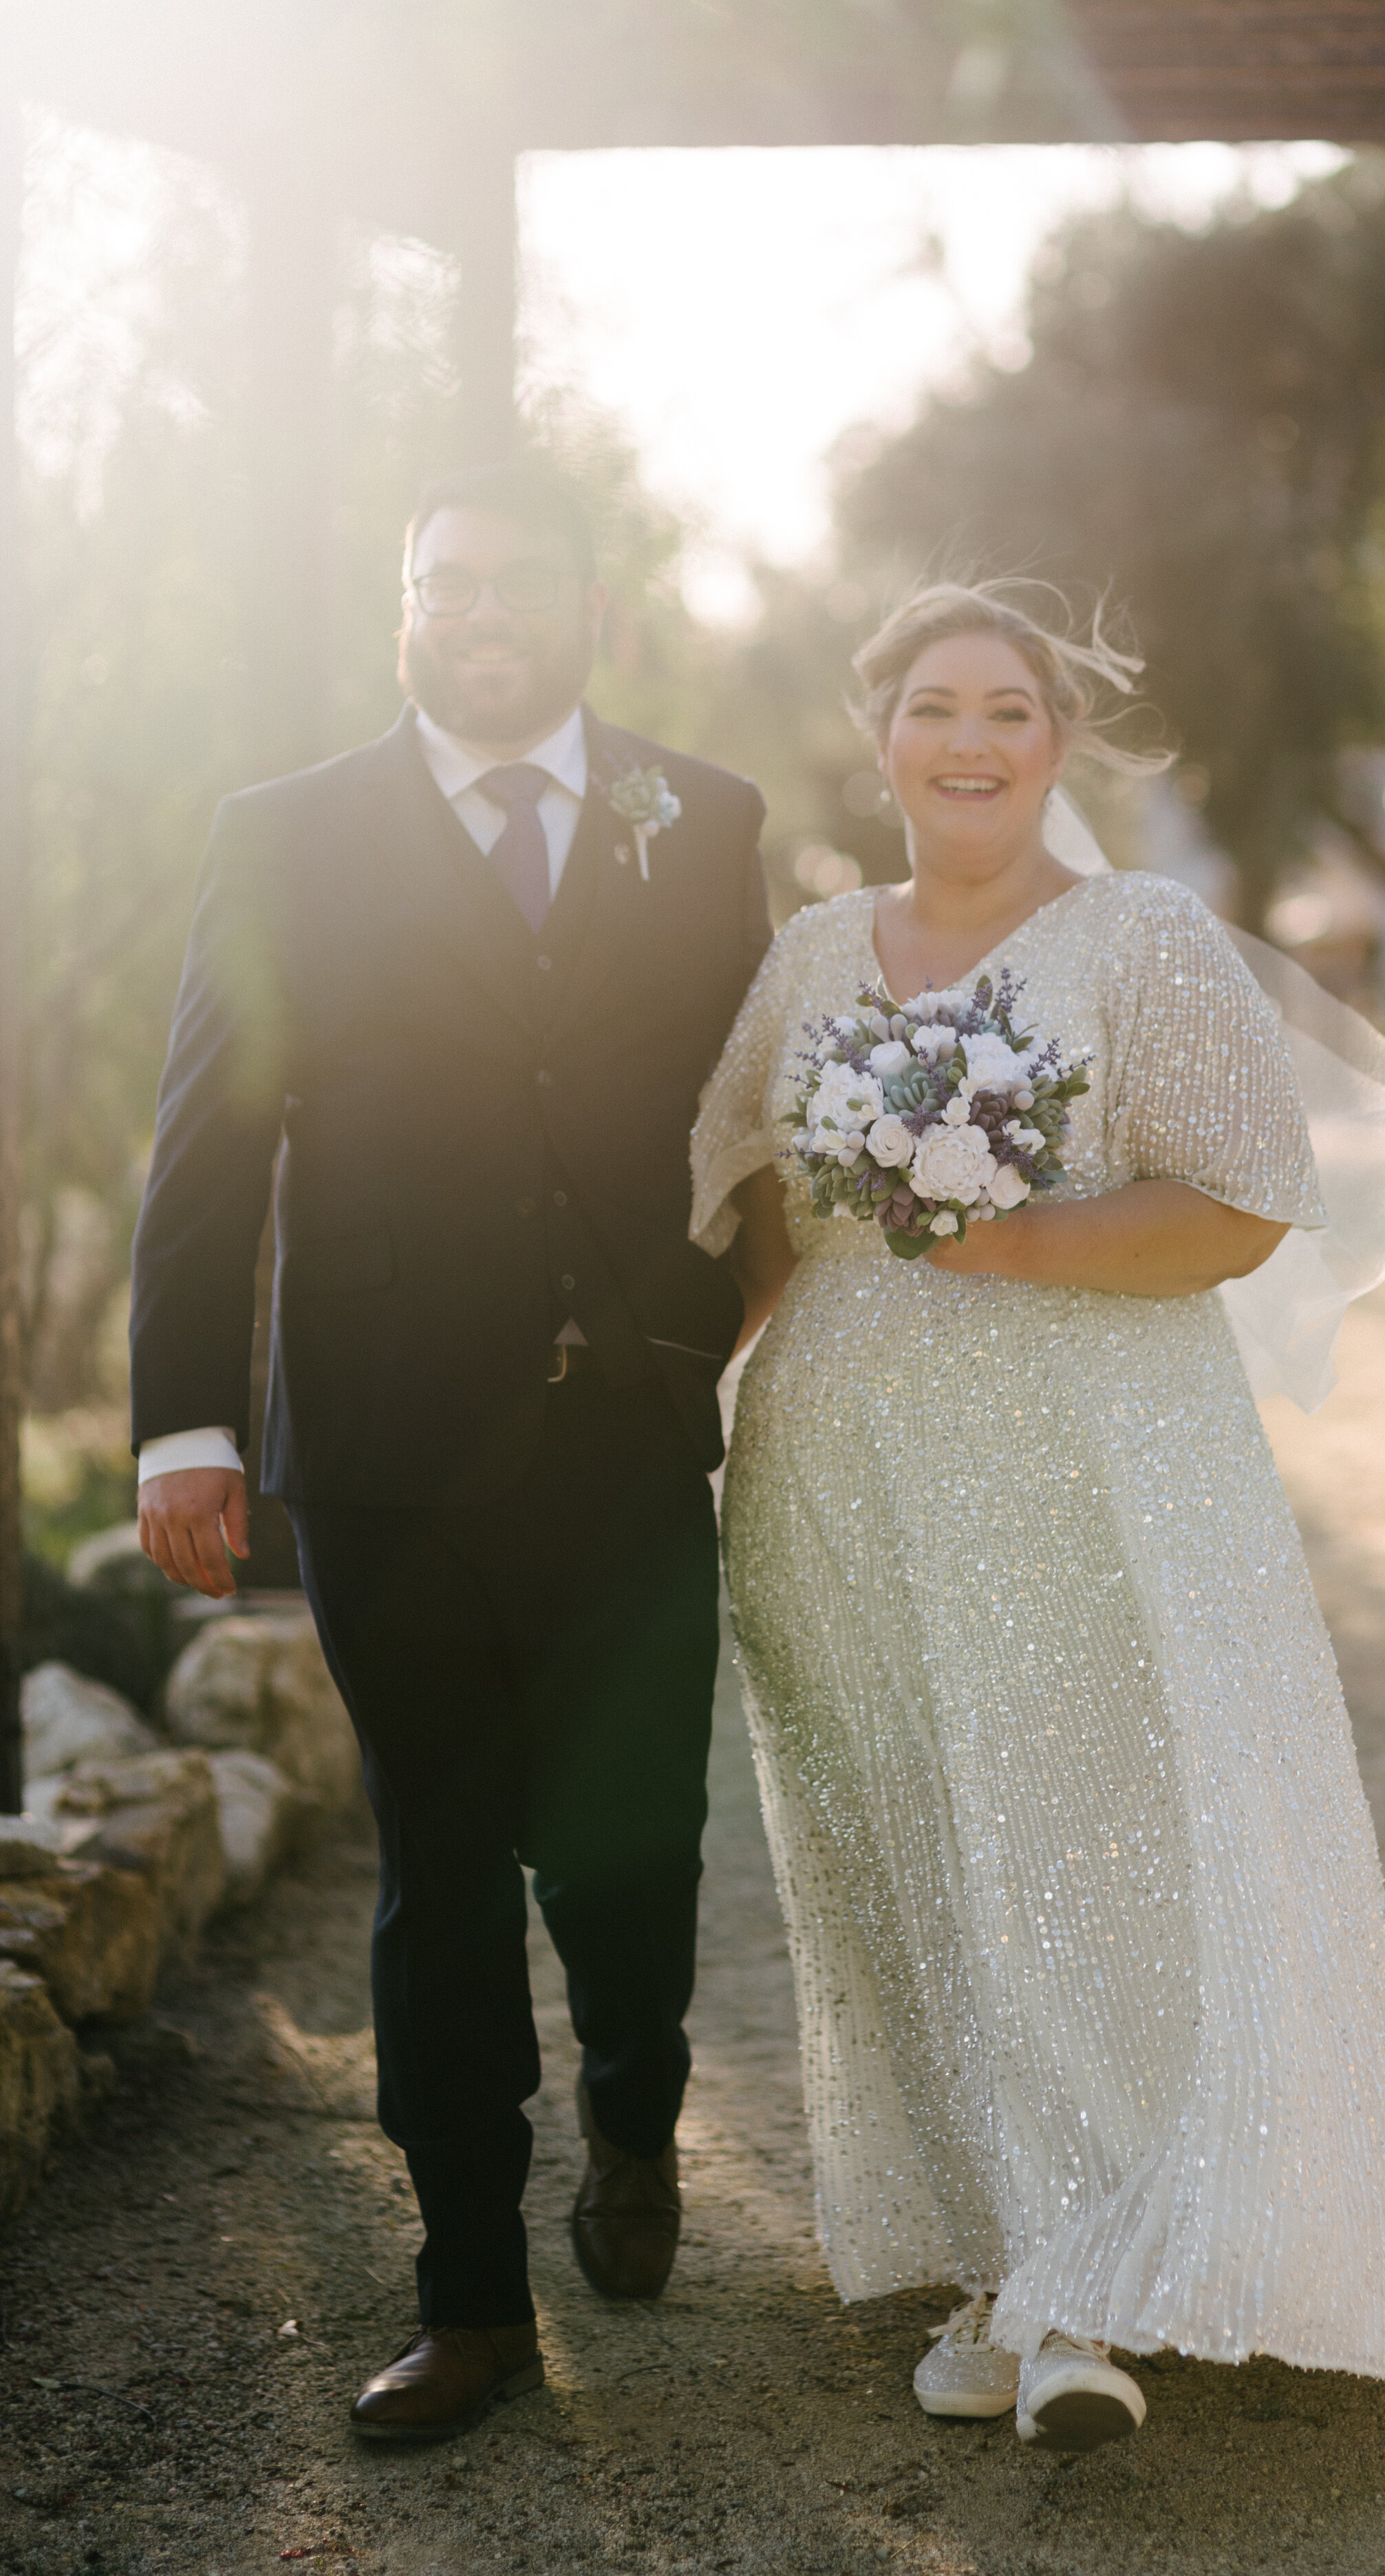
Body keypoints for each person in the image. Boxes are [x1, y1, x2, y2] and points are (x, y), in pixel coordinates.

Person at [691, 580, 1385, 2454]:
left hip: (1093, 1472)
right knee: (915, 1861)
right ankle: (1004, 2248)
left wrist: (1013, 1231)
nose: (968, 741)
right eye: (932, 707)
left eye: (1006, 710)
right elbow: (753, 1211)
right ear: (879, 734)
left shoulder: (1136, 938)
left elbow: (1247, 1196)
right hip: (842, 1486)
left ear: (1054, 746)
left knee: (1095, 1843)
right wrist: (677, 1400)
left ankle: (1095, 2285)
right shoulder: (814, 952)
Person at [130, 457, 770, 2440]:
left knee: (630, 1851)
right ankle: (472, 2295)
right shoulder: (286, 834)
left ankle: (636, 2112)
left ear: (589, 607)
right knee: (438, 1873)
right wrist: (182, 1420)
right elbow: (208, 1145)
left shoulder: (705, 817)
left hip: (631, 1439)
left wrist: (735, 1334)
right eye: (443, 582)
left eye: (516, 581)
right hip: (391, 1448)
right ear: (404, 608)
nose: (477, 611)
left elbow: (754, 1105)